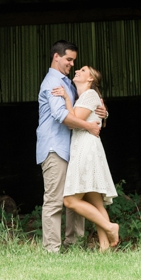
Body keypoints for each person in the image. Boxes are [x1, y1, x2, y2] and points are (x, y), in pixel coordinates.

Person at [36, 41, 108, 253]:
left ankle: (74, 245)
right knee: (55, 201)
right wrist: (89, 126)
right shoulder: (52, 83)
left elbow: (86, 103)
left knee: (76, 197)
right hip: (55, 147)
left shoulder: (67, 83)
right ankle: (52, 249)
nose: (72, 64)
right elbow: (62, 116)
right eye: (69, 60)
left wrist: (103, 112)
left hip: (73, 149)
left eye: (74, 61)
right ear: (56, 57)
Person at [53, 65, 120, 251]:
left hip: (86, 150)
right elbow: (85, 115)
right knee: (96, 202)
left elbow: (74, 120)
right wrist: (103, 111)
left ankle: (109, 227)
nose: (77, 71)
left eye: (82, 70)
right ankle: (105, 248)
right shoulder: (85, 97)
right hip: (86, 148)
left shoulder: (89, 95)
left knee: (70, 201)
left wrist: (66, 98)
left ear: (90, 78)